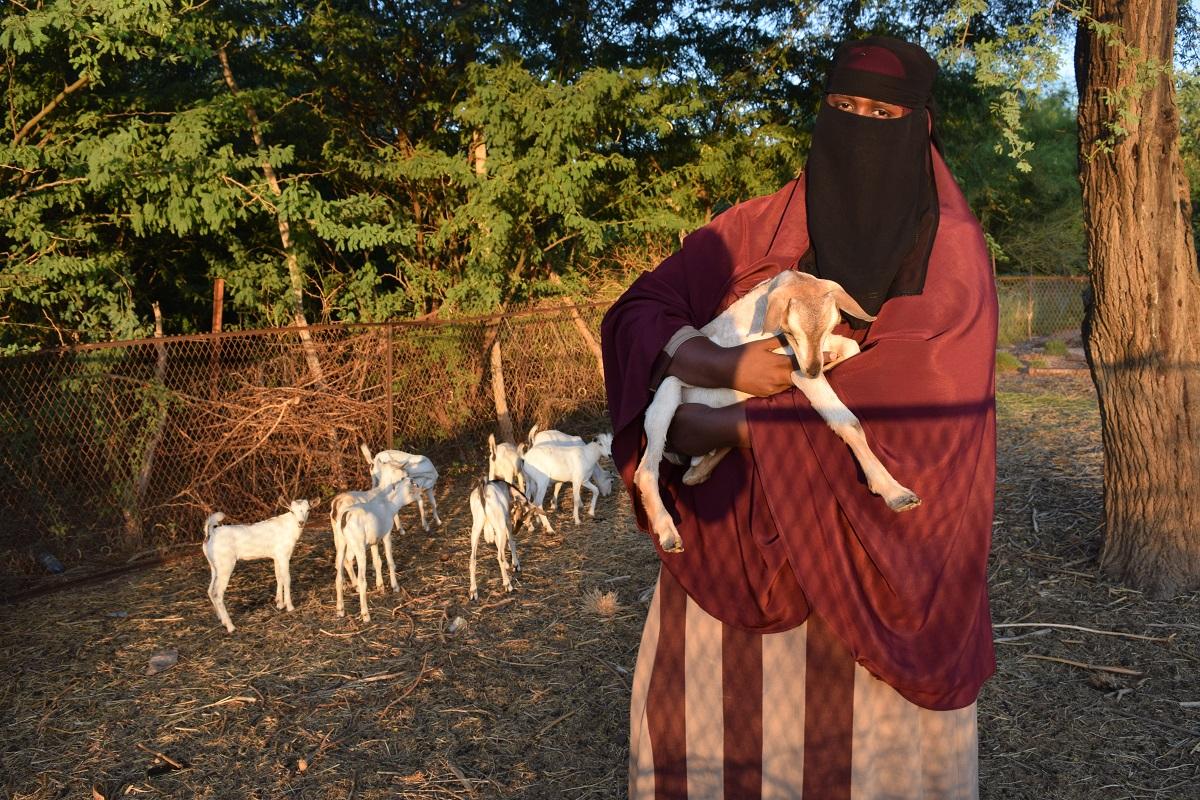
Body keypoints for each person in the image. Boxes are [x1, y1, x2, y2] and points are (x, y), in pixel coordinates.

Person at [600, 36, 997, 799]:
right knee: (722, 748)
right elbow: (641, 308)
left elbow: (923, 419)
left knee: (859, 767)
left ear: (922, 126)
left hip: (870, 577)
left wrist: (733, 428)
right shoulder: (762, 227)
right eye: (843, 107)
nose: (860, 129)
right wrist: (713, 365)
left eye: (882, 114)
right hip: (730, 561)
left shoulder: (952, 260)